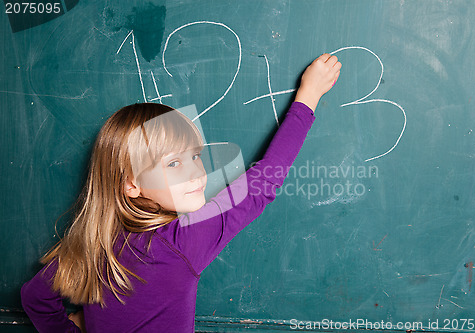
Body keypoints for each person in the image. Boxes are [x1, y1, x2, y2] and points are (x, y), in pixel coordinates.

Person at [21, 53, 342, 332]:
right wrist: (308, 96)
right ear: (131, 184)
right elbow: (264, 181)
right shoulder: (183, 240)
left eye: (195, 157)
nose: (196, 172)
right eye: (174, 163)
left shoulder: (90, 244)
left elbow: (35, 298)